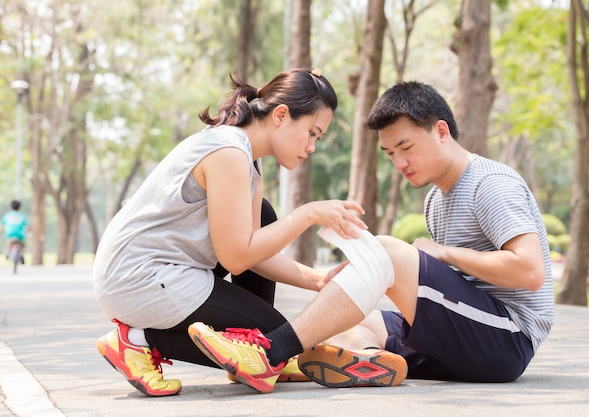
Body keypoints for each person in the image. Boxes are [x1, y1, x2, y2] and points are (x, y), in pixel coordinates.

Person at [93, 68, 380, 397]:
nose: (312, 146)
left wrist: (319, 281)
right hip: (139, 276)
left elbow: (254, 253)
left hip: (166, 271)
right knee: (277, 342)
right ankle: (138, 341)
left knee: (264, 215)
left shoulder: (248, 158)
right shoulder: (228, 151)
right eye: (312, 133)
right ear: (281, 115)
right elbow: (237, 257)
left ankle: (255, 353)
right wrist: (307, 214)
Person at [294, 80, 555, 385]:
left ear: (441, 132)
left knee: (388, 250)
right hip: (467, 331)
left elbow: (530, 272)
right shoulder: (435, 200)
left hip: (507, 340)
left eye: (406, 147)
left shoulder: (490, 184)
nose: (399, 163)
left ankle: (273, 352)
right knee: (346, 321)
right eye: (390, 153)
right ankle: (367, 360)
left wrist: (439, 253)